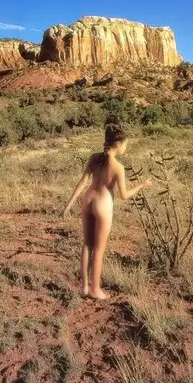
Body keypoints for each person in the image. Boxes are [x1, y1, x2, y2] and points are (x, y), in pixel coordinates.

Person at [62, 122, 152, 300]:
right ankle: (95, 290)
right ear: (117, 144)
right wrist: (142, 185)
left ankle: (84, 287)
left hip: (87, 200)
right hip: (103, 205)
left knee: (87, 244)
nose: (125, 148)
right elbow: (124, 195)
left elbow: (83, 182)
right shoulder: (118, 167)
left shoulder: (94, 157)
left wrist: (68, 205)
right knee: (99, 250)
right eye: (125, 144)